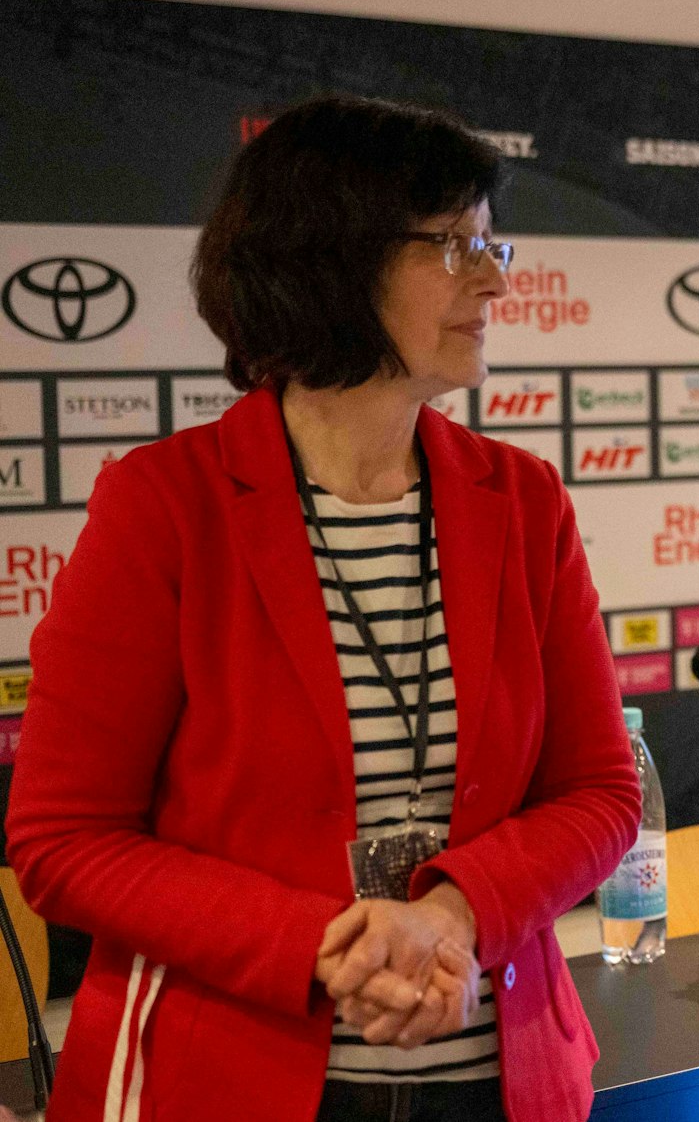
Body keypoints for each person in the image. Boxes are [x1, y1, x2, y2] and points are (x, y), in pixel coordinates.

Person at [6, 95, 641, 1121]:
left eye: (493, 244)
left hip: (499, 1081)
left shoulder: (520, 501)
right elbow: (64, 839)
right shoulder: (167, 506)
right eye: (453, 245)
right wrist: (320, 943)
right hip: (221, 1081)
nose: (494, 279)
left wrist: (451, 913)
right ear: (331, 257)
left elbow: (600, 791)